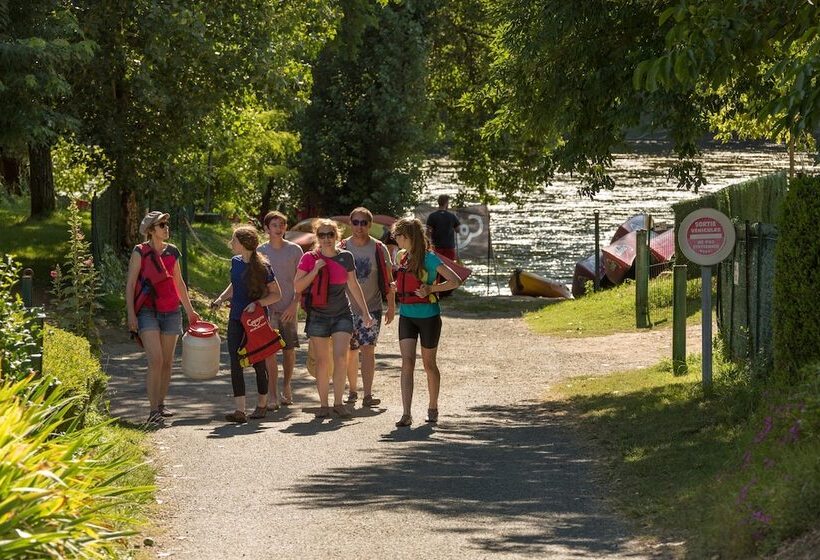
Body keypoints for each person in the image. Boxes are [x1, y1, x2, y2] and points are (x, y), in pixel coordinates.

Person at [126, 211, 200, 427]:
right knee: (156, 360)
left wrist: (190, 311)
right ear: (151, 230)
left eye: (167, 224)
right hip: (147, 312)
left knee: (167, 362)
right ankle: (152, 412)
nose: (166, 228)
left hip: (171, 311)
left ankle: (160, 404)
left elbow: (179, 284)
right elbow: (130, 285)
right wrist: (131, 314)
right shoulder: (140, 252)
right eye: (161, 225)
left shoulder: (173, 252)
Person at [294, 219, 373, 419]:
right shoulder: (309, 258)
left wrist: (365, 312)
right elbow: (297, 286)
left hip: (341, 315)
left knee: (340, 358)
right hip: (318, 316)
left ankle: (338, 403)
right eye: (322, 235)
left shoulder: (346, 257)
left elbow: (353, 285)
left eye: (330, 234)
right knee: (322, 362)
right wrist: (315, 270)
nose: (327, 238)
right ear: (317, 237)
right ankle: (323, 405)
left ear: (337, 236)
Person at [391, 217, 461, 427]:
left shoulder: (430, 259)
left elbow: (455, 280)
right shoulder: (402, 257)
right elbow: (404, 279)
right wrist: (397, 286)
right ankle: (406, 413)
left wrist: (431, 289)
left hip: (428, 317)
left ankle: (433, 406)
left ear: (408, 237)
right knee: (407, 363)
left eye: (398, 237)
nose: (396, 240)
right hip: (407, 316)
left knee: (429, 365)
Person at [211, 226, 282, 423]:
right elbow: (235, 284)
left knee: (259, 361)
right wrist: (220, 299)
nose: (231, 244)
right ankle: (240, 410)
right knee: (235, 362)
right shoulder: (235, 262)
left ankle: (261, 405)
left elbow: (277, 294)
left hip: (255, 320)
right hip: (236, 318)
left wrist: (257, 303)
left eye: (233, 240)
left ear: (242, 244)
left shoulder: (263, 267)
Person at [341, 207, 395, 408]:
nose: (359, 227)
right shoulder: (342, 246)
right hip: (345, 308)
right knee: (350, 350)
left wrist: (391, 306)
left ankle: (368, 394)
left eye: (364, 223)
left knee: (368, 350)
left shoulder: (379, 248)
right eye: (355, 222)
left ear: (370, 225)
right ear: (350, 223)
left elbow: (389, 280)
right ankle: (352, 391)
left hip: (372, 307)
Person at [258, 211, 303, 408]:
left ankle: (286, 386)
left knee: (289, 350)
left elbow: (301, 281)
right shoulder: (259, 250)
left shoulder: (295, 251)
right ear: (267, 228)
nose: (279, 228)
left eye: (282, 225)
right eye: (275, 225)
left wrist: (295, 304)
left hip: (289, 308)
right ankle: (272, 394)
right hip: (267, 309)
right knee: (270, 352)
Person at [425, 194, 460, 261]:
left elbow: (428, 232)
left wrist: (426, 245)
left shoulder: (432, 216)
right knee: (449, 268)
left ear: (438, 202)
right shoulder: (452, 216)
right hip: (449, 247)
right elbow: (458, 230)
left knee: (437, 267)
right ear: (446, 203)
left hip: (436, 247)